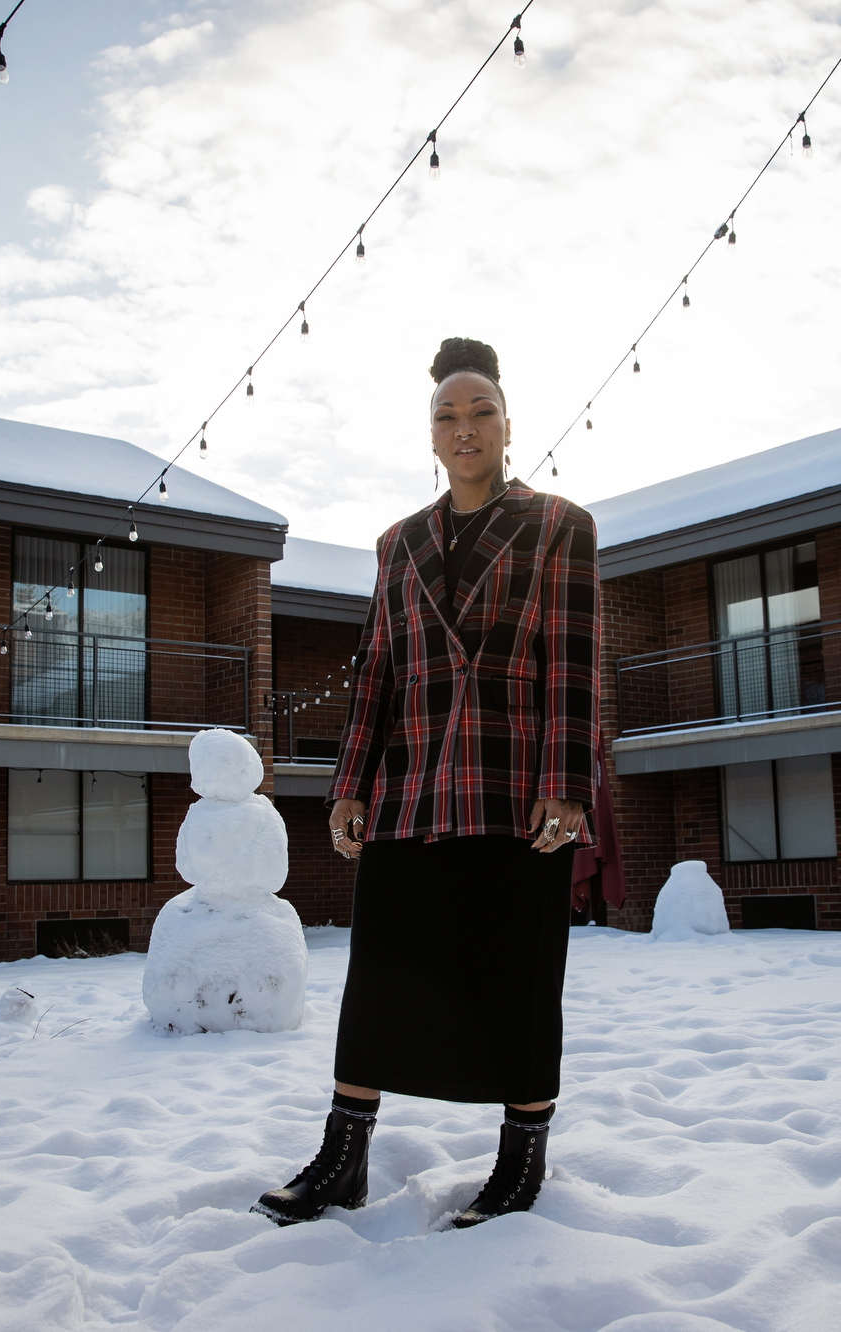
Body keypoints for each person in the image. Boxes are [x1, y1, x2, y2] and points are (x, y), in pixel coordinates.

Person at [254, 336, 601, 1229]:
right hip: (412, 785)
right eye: (447, 414)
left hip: (515, 782)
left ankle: (521, 1161)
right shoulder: (397, 543)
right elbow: (377, 671)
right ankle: (344, 1158)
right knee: (380, 971)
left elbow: (571, 661)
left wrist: (567, 784)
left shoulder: (560, 524)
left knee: (520, 975)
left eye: (481, 409)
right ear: (431, 434)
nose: (465, 426)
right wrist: (349, 783)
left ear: (508, 424)